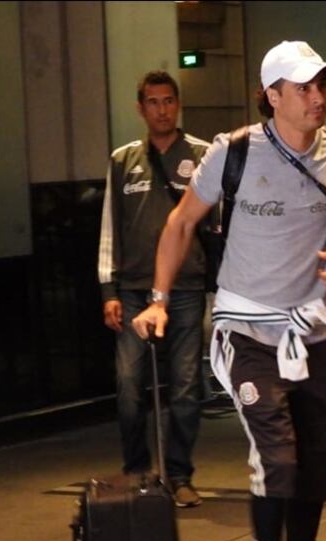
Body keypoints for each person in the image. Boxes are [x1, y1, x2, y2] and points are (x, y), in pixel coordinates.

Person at [130, 41, 326, 541]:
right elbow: (180, 223)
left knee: (315, 472)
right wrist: (159, 298)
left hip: (312, 329)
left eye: (322, 84)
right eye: (302, 88)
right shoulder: (236, 152)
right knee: (279, 459)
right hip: (244, 328)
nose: (317, 97)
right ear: (272, 95)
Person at [97, 70, 211, 508]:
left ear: (177, 104)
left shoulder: (202, 155)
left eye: (168, 101)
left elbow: (215, 224)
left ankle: (179, 474)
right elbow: (110, 226)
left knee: (185, 385)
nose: (162, 109)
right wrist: (108, 288)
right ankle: (136, 471)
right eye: (153, 102)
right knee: (129, 385)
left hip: (185, 287)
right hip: (131, 289)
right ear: (140, 108)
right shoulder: (122, 159)